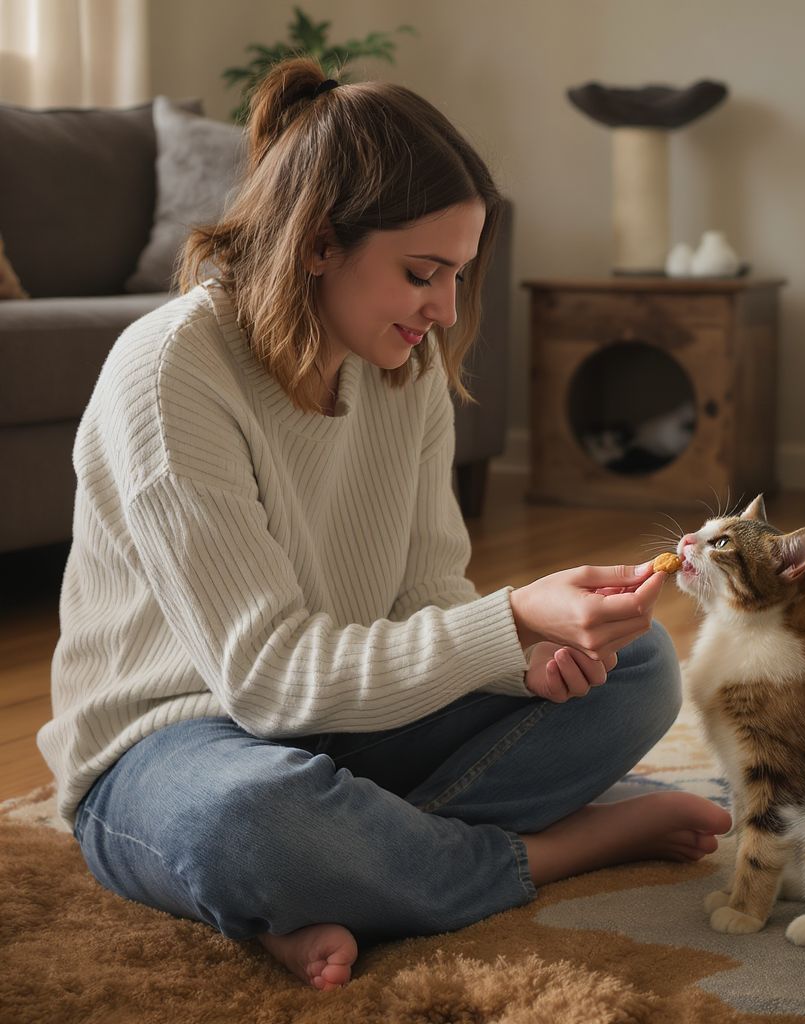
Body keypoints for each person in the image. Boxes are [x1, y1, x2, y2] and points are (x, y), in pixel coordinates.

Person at [38, 58, 731, 992]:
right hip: (170, 745)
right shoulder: (169, 374)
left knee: (637, 670)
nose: (445, 309)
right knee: (258, 824)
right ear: (320, 243)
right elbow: (269, 682)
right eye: (421, 274)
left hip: (347, 727)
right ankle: (544, 852)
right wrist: (514, 618)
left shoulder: (405, 372)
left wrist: (523, 654)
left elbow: (426, 599)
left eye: (457, 274)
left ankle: (343, 877)